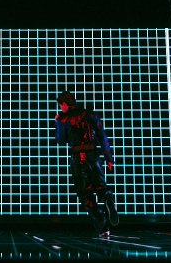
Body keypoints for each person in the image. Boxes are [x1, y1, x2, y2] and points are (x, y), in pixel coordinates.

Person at [54, 90, 118, 235]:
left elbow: (61, 140)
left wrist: (58, 123)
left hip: (78, 158)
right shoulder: (90, 114)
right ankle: (108, 200)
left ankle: (100, 221)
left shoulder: (64, 119)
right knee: (101, 186)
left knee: (85, 194)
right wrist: (109, 159)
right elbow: (103, 137)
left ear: (64, 104)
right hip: (93, 155)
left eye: (60, 105)